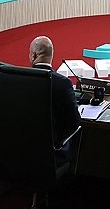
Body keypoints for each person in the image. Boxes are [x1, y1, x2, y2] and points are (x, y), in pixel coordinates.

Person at [27, 35, 81, 167]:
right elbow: (74, 123)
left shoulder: (18, 79)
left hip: (16, 152)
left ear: (33, 56)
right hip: (51, 155)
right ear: (51, 56)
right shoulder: (62, 83)